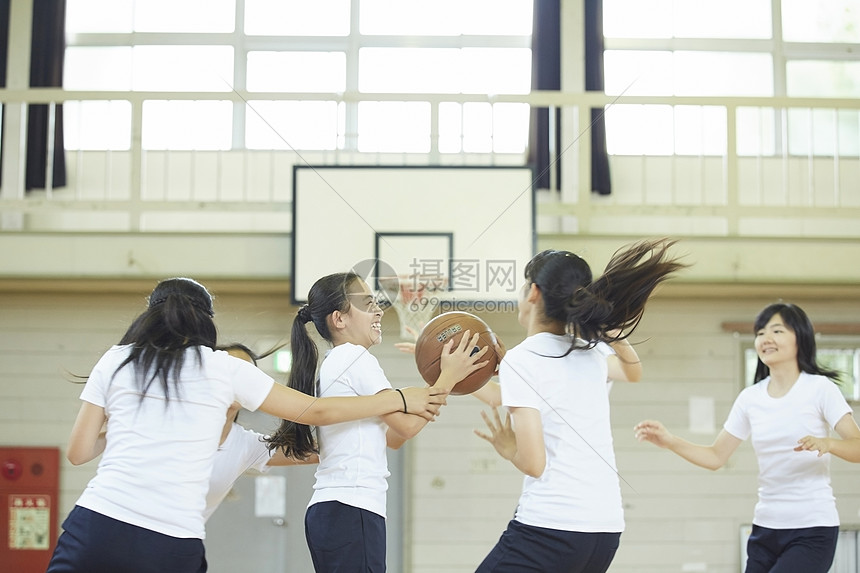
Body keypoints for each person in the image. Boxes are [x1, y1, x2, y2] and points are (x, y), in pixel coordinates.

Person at [46, 277, 448, 573]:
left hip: (96, 522)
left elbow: (79, 452)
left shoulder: (117, 359)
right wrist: (399, 399)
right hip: (172, 539)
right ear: (207, 321)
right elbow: (315, 413)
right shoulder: (223, 368)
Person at [472, 238, 687, 573]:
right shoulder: (592, 351)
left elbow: (534, 464)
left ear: (533, 293)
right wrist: (613, 334)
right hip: (604, 530)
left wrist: (508, 446)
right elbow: (633, 372)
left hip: (552, 526)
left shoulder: (523, 359)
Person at [265, 271, 490, 573]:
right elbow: (408, 426)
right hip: (350, 509)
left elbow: (396, 436)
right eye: (367, 303)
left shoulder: (340, 361)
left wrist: (443, 380)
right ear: (339, 319)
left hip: (338, 511)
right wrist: (448, 376)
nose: (379, 310)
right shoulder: (354, 357)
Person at [635, 302, 860, 573]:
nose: (766, 339)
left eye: (777, 331)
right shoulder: (750, 398)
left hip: (811, 529)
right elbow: (716, 456)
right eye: (760, 332)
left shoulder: (820, 389)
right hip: (765, 530)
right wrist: (670, 441)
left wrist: (829, 443)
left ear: (800, 337)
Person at [204, 343, 319, 522]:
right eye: (232, 370)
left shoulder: (243, 444)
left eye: (246, 374)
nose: (238, 380)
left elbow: (318, 450)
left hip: (185, 541)